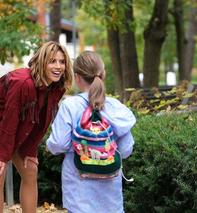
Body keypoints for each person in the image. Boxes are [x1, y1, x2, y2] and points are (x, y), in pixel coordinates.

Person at [46, 51, 136, 213]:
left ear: (77, 77)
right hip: (110, 195)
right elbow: (125, 149)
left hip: (78, 191)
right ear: (103, 75)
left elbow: (59, 143)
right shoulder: (115, 107)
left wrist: (50, 146)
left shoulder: (70, 106)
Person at [0, 41, 72, 212]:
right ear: (42, 62)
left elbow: (41, 121)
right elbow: (9, 121)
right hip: (4, 125)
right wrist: (2, 157)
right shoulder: (23, 82)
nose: (58, 66)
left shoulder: (56, 87)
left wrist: (30, 150)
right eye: (52, 61)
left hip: (15, 127)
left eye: (62, 62)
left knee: (30, 170)